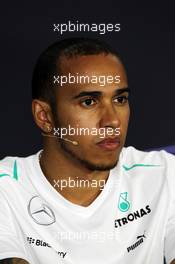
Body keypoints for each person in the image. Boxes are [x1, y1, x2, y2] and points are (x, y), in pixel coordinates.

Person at [0, 38, 174, 264]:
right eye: (89, 102)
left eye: (120, 99)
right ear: (45, 116)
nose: (112, 121)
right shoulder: (6, 188)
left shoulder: (165, 174)